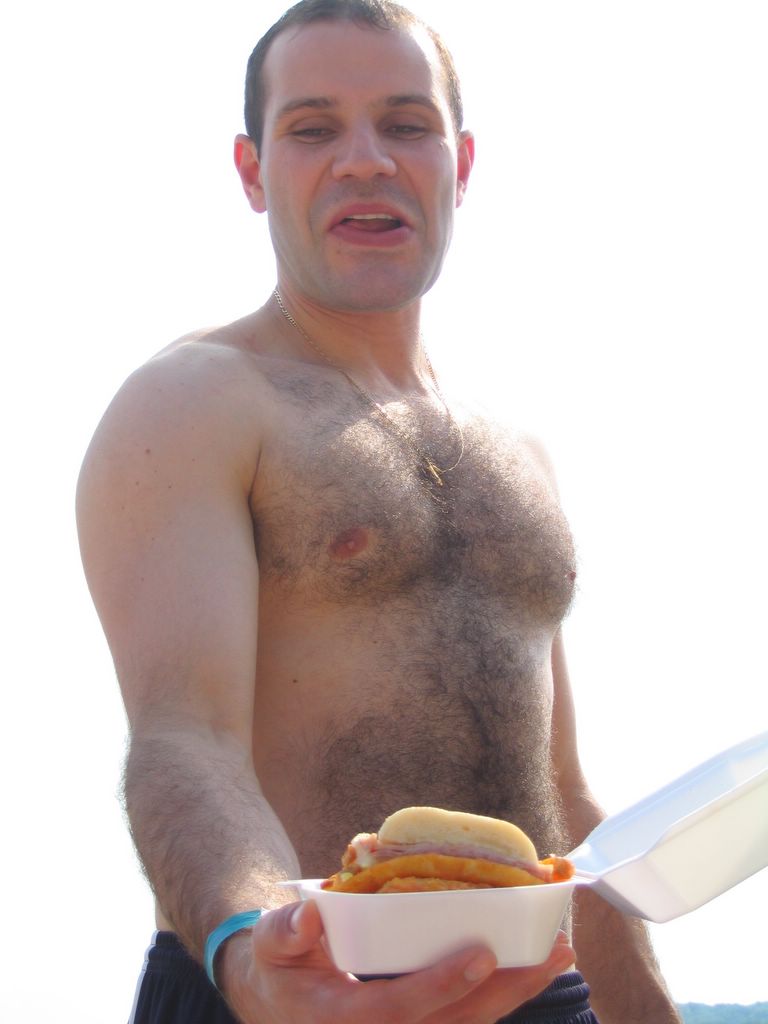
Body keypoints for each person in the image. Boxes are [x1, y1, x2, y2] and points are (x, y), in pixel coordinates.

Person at [76, 1, 683, 1021]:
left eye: (406, 124)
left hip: (537, 992)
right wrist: (254, 951)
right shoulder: (194, 403)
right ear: (252, 172)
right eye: (313, 128)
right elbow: (186, 739)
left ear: (461, 164)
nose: (364, 160)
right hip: (290, 984)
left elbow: (566, 800)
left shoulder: (519, 454)